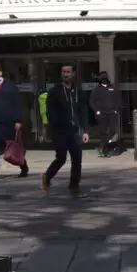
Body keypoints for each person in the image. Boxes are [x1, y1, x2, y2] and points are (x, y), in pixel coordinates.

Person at [41, 64, 88, 196]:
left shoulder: (78, 91)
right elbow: (50, 112)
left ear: (73, 74)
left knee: (77, 159)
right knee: (61, 158)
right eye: (63, 72)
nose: (65, 74)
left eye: (68, 72)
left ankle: (74, 186)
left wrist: (85, 130)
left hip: (74, 131)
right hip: (60, 131)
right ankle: (47, 176)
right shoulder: (55, 91)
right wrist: (55, 126)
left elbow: (82, 111)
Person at [0, 62, 28, 179]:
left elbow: (18, 104)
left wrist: (18, 121)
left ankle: (23, 166)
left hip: (9, 123)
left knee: (13, 147)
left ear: (0, 73)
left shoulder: (10, 86)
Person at [91, 72, 121, 157]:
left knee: (113, 130)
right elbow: (91, 102)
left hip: (112, 113)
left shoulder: (113, 88)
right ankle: (104, 149)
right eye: (102, 77)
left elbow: (118, 100)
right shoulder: (96, 89)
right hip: (101, 114)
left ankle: (102, 146)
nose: (104, 78)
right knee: (103, 131)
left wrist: (115, 110)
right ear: (100, 78)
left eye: (105, 76)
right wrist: (97, 111)